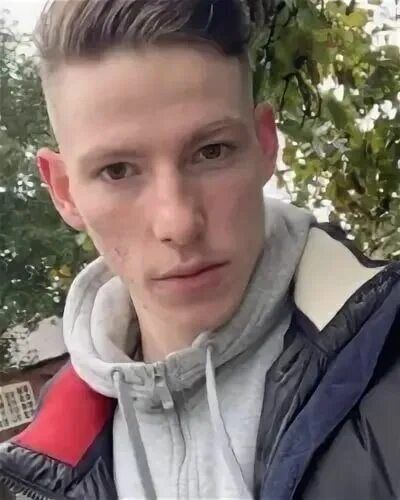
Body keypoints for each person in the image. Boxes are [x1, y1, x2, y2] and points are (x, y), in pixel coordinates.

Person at [0, 0, 399, 499]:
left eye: (212, 152)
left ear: (265, 145)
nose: (179, 224)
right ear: (64, 190)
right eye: (117, 171)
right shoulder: (32, 474)